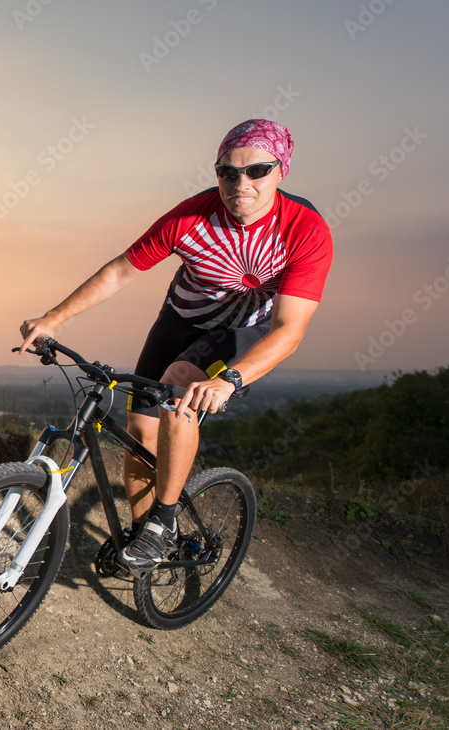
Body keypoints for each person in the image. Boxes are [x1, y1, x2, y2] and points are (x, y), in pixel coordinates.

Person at [19, 119, 333, 570]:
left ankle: (164, 520)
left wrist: (230, 380)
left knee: (181, 382)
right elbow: (119, 272)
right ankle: (143, 541)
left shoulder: (305, 229)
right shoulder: (190, 216)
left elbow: (290, 329)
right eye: (228, 172)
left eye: (257, 171)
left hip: (248, 330)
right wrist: (54, 318)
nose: (240, 183)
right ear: (217, 172)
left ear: (281, 171)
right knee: (141, 427)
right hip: (182, 318)